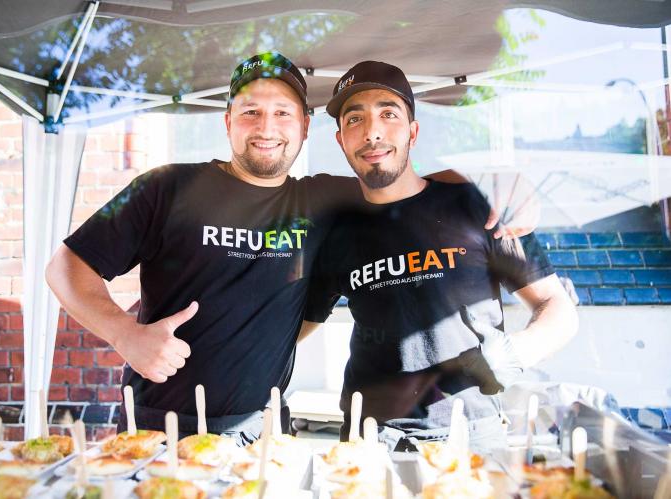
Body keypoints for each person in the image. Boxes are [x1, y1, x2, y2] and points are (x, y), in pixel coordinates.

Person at [45, 52, 515, 445]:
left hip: (263, 431)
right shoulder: (165, 188)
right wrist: (124, 334)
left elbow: (410, 187)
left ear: (306, 127)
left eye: (283, 113)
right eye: (250, 111)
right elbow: (66, 266)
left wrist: (495, 184)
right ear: (228, 121)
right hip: (157, 426)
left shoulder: (324, 201)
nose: (265, 127)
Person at [301, 61, 579, 452]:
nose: (372, 131)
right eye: (354, 120)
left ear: (412, 132)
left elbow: (558, 308)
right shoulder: (335, 231)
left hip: (472, 437)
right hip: (370, 440)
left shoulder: (479, 205)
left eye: (388, 114)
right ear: (341, 140)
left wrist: (511, 355)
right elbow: (294, 326)